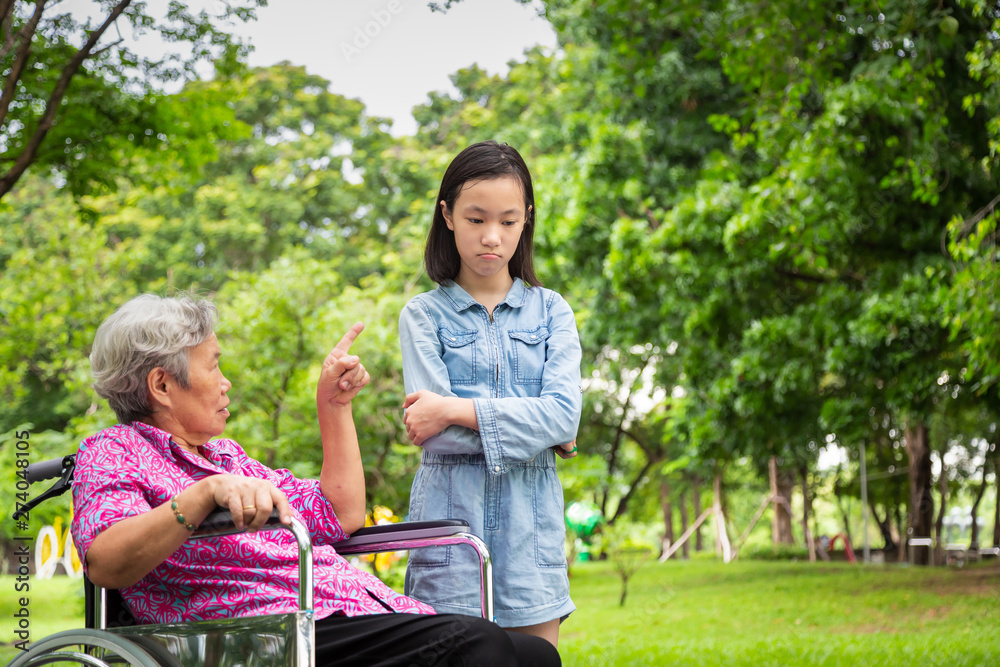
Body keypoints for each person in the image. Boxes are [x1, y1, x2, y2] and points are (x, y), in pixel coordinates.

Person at [70, 294, 560, 667]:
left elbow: (337, 512)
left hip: (338, 612)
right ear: (161, 385)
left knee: (537, 656)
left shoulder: (226, 457)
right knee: (481, 646)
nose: (226, 382)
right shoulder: (112, 451)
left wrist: (333, 404)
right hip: (259, 633)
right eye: (214, 364)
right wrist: (201, 496)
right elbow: (106, 562)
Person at [399, 141, 582, 648]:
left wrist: (454, 409)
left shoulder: (552, 312)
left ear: (526, 220)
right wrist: (536, 431)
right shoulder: (422, 315)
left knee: (536, 662)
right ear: (448, 216)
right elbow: (436, 439)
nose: (491, 238)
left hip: (533, 532)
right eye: (476, 219)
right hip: (449, 530)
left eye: (507, 221)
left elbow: (564, 417)